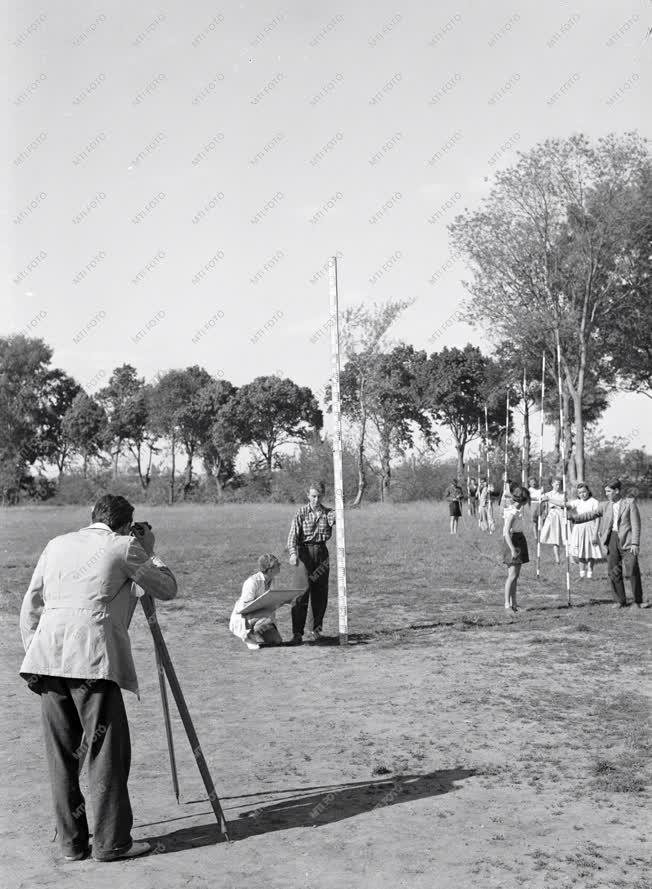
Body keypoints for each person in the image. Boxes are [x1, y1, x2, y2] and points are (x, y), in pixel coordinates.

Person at [18, 494, 177, 862]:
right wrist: (148, 549)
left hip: (46, 660)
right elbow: (167, 589)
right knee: (107, 753)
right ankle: (112, 843)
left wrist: (34, 654)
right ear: (125, 525)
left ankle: (72, 844)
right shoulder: (124, 546)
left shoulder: (56, 544)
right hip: (91, 662)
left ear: (93, 517)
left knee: (62, 757)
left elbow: (31, 606)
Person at [569, 478, 648, 609]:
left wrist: (635, 543)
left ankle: (637, 601)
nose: (606, 493)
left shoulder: (629, 503)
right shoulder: (605, 505)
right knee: (614, 571)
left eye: (609, 491)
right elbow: (590, 515)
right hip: (611, 539)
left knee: (633, 569)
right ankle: (620, 601)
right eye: (605, 491)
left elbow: (636, 525)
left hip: (628, 541)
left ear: (616, 491)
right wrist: (573, 518)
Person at [287, 482, 336, 644]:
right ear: (308, 496)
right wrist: (293, 554)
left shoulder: (328, 513)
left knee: (320, 594)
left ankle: (315, 630)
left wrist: (342, 505)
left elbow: (338, 517)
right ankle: (297, 633)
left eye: (319, 496)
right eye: (313, 496)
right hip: (304, 553)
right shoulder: (301, 513)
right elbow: (292, 536)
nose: (316, 499)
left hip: (321, 554)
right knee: (301, 594)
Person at [229, 553, 283, 649]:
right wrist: (264, 608)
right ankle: (248, 636)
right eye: (277, 564)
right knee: (266, 615)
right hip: (245, 618)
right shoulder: (252, 582)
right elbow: (245, 608)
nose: (280, 565)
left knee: (276, 641)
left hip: (263, 616)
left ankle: (258, 632)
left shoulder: (273, 580)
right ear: (270, 569)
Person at [502, 485, 530, 612]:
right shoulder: (512, 512)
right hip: (513, 542)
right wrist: (512, 549)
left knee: (516, 575)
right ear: (523, 500)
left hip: (520, 540)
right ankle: (507, 604)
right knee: (511, 576)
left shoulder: (518, 510)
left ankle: (514, 604)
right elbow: (506, 532)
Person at [568, 482, 603, 579]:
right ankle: (582, 573)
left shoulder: (594, 502)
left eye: (584, 492)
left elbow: (597, 518)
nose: (582, 494)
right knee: (580, 551)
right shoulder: (577, 502)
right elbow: (567, 506)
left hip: (591, 528)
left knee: (591, 551)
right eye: (580, 493)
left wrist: (595, 533)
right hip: (579, 529)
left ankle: (590, 573)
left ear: (588, 491)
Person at [539, 478, 567, 564]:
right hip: (552, 515)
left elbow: (563, 504)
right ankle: (557, 559)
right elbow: (541, 504)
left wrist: (549, 500)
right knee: (555, 538)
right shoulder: (548, 494)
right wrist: (541, 496)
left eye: (559, 484)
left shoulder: (563, 494)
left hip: (561, 515)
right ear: (552, 484)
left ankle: (570, 558)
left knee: (565, 537)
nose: (558, 486)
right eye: (556, 484)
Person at [528, 476, 546, 542]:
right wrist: (536, 498)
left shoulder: (540, 489)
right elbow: (528, 498)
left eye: (534, 481)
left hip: (541, 505)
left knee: (541, 521)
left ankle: (541, 536)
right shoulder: (529, 490)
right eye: (531, 482)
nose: (533, 483)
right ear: (529, 483)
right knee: (534, 522)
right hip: (533, 506)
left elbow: (544, 496)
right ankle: (536, 537)